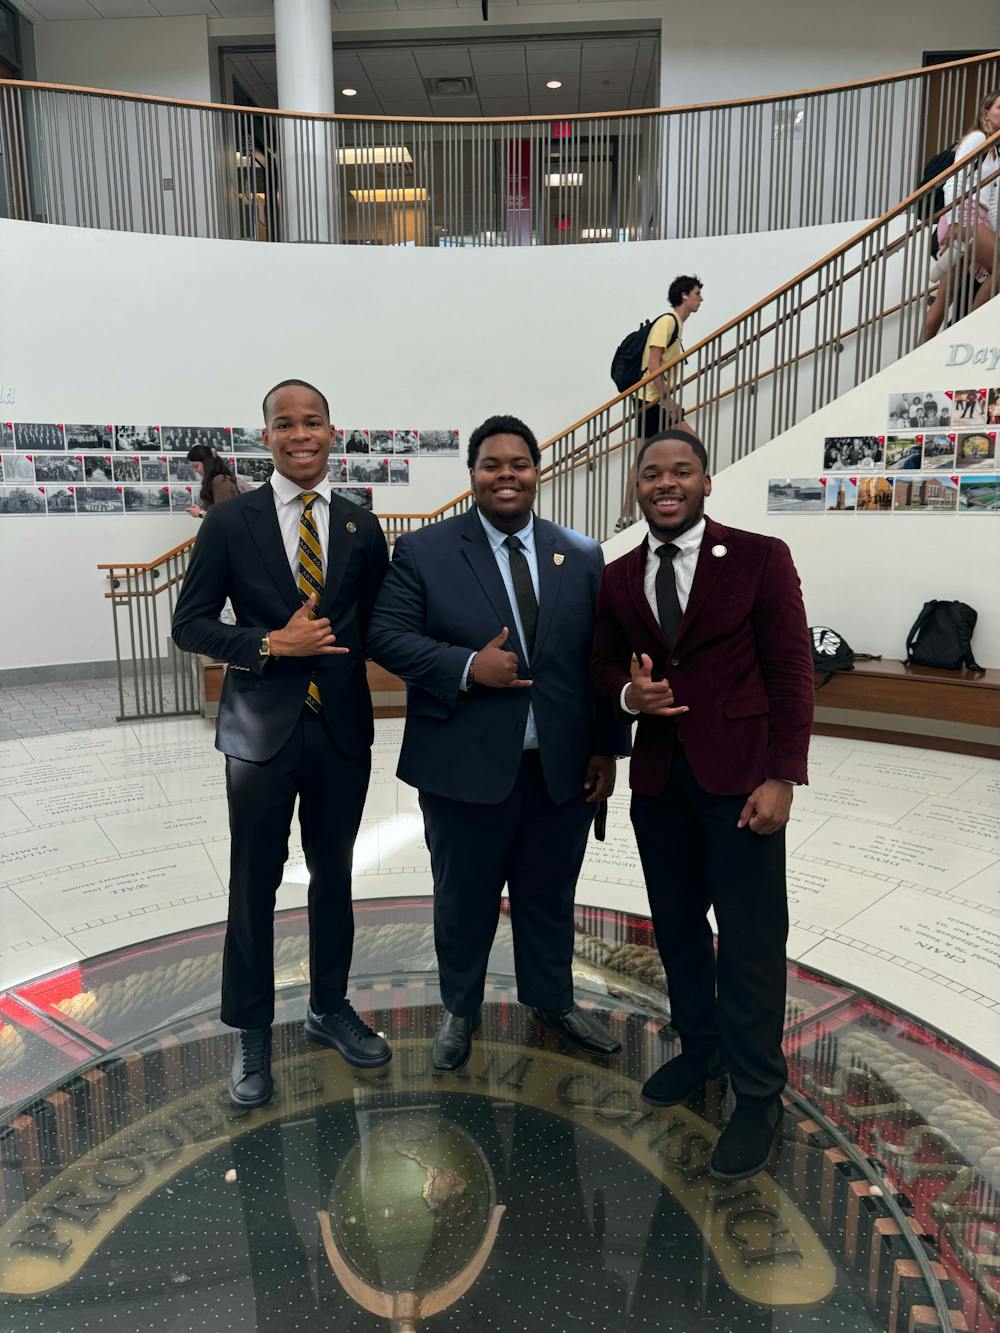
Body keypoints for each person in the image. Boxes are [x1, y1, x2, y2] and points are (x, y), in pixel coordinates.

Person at [367, 414, 629, 1073]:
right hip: (464, 767)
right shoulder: (424, 551)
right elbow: (386, 636)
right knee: (464, 897)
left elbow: (602, 658)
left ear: (539, 472)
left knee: (549, 895)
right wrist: (465, 666)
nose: (506, 474)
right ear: (473, 475)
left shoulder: (582, 552)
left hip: (560, 770)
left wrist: (606, 748)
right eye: (492, 464)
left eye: (519, 463)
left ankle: (553, 1000)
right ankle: (460, 1007)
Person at [590, 425, 814, 1182]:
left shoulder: (758, 557)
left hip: (742, 782)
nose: (665, 482)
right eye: (651, 472)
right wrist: (627, 695)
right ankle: (702, 1048)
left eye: (680, 470)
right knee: (679, 929)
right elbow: (597, 666)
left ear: (706, 482)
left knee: (750, 938)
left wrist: (783, 774)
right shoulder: (618, 577)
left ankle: (758, 1093)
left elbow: (792, 669)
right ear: (637, 488)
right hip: (660, 787)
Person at [172, 379, 392, 1109]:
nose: (301, 434)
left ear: (334, 433)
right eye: (284, 423)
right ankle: (253, 1029)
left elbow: (382, 623)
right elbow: (190, 624)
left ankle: (330, 1007)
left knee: (335, 874)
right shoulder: (229, 523)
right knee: (253, 883)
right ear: (264, 436)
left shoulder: (362, 527)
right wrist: (270, 642)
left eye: (314, 422)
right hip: (260, 730)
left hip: (341, 729)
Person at [924, 89, 1000, 341]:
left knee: (944, 299)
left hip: (978, 218)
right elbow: (952, 182)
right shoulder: (978, 138)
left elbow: (990, 200)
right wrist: (956, 222)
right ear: (986, 112)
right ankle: (968, 335)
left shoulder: (995, 151)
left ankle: (919, 353)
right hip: (965, 216)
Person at [637, 275, 703, 441]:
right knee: (692, 442)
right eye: (697, 293)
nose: (701, 298)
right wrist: (668, 401)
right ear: (684, 295)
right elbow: (653, 364)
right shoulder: (668, 321)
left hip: (651, 397)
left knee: (644, 458)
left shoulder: (676, 324)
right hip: (652, 399)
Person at [185, 443, 239, 518]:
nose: (195, 471)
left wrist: (200, 513)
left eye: (196, 466)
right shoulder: (216, 481)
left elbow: (224, 516)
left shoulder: (220, 481)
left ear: (207, 463)